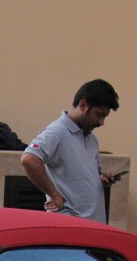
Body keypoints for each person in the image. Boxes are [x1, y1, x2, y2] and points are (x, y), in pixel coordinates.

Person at [20, 79, 121, 223]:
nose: (101, 122)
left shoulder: (92, 138)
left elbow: (86, 176)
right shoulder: (56, 132)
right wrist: (54, 195)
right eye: (99, 115)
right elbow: (29, 159)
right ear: (83, 105)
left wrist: (103, 179)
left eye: (105, 117)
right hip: (70, 225)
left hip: (94, 226)